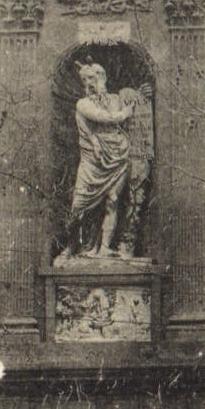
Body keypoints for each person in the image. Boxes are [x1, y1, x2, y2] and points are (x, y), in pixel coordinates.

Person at [57, 60, 135, 260]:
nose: (91, 82)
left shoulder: (115, 100)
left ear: (104, 78)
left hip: (117, 156)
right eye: (86, 79)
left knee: (112, 201)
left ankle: (105, 247)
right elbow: (102, 117)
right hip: (92, 162)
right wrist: (124, 114)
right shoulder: (83, 104)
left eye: (96, 77)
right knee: (79, 206)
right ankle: (71, 246)